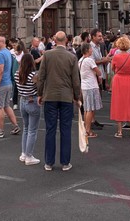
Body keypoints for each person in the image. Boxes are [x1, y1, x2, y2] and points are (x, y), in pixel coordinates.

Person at [37, 31, 82, 171]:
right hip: (66, 97)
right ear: (66, 40)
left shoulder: (47, 55)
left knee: (50, 129)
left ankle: (49, 162)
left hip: (50, 95)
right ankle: (65, 162)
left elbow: (41, 76)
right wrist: (77, 97)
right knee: (65, 129)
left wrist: (40, 93)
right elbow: (76, 80)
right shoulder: (72, 57)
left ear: (55, 40)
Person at [0, 36, 19, 137]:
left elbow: (0, 70)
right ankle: (15, 126)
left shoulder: (1, 54)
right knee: (6, 106)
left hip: (1, 84)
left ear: (3, 42)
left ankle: (0, 131)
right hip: (8, 83)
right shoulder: (7, 52)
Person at [15, 52, 41, 165]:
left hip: (23, 100)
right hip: (32, 101)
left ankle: (24, 153)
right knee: (32, 130)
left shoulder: (17, 74)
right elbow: (39, 87)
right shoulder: (33, 76)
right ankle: (29, 156)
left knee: (26, 128)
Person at [78, 43, 102, 139]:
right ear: (87, 50)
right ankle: (88, 131)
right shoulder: (89, 60)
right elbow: (98, 72)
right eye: (91, 48)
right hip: (91, 86)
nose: (92, 50)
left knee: (87, 108)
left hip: (84, 86)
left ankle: (86, 128)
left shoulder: (80, 60)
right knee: (90, 109)